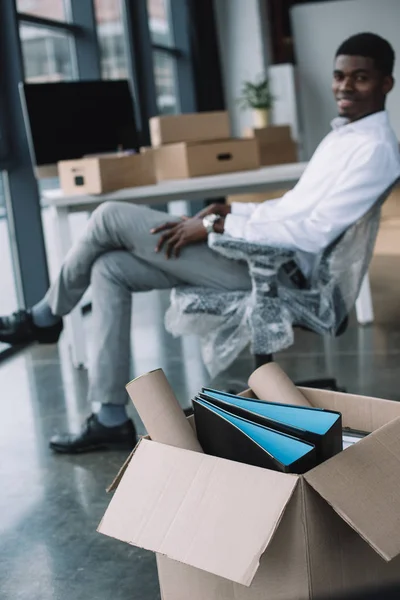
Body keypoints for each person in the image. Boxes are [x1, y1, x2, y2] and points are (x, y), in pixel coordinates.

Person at [1, 32, 400, 454]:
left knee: (109, 216)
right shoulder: (345, 137)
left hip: (278, 271)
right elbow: (292, 208)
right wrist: (229, 213)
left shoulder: (374, 149)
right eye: (339, 76)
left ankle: (43, 318)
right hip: (263, 254)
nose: (344, 86)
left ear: (386, 84)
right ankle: (110, 417)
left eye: (360, 78)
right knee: (109, 269)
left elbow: (314, 231)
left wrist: (214, 229)